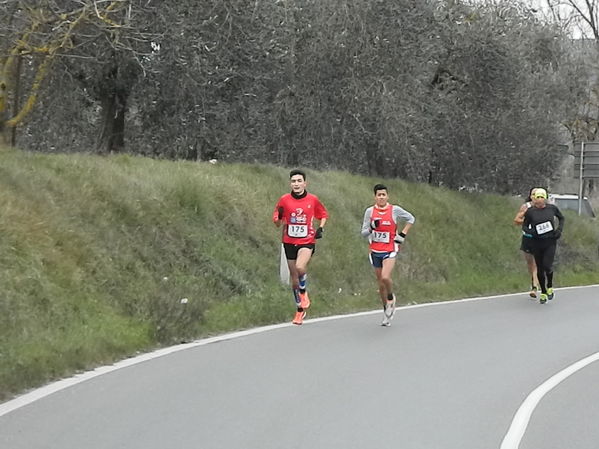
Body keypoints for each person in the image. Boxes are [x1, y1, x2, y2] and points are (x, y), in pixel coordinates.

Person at [273, 169, 328, 325]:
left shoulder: (313, 199)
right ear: (290, 183)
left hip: (307, 241)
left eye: (299, 181)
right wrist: (279, 216)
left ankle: (304, 293)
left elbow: (323, 214)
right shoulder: (284, 200)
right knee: (294, 280)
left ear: (305, 183)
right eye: (293, 181)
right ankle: (299, 310)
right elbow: (277, 223)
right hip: (289, 241)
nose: (296, 184)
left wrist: (321, 228)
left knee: (300, 267)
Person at [361, 184, 415, 326]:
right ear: (375, 197)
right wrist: (372, 227)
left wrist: (402, 234)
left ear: (387, 196)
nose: (381, 197)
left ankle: (391, 297)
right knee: (380, 285)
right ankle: (386, 311)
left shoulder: (394, 210)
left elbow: (411, 219)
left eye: (383, 195)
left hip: (390, 248)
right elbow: (363, 232)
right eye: (379, 195)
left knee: (386, 277)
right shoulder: (369, 212)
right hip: (375, 250)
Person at [522, 188, 565, 304]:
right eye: (537, 198)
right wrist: (531, 232)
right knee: (540, 269)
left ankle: (550, 286)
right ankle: (544, 292)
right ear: (534, 199)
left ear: (545, 199)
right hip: (536, 243)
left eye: (542, 198)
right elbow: (524, 226)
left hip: (550, 242)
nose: (539, 201)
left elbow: (561, 218)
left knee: (547, 266)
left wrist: (559, 230)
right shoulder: (530, 212)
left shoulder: (552, 208)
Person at [513, 188, 540, 298]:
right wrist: (526, 221)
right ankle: (534, 281)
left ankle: (535, 287)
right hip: (527, 238)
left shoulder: (545, 207)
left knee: (537, 263)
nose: (535, 197)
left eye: (537, 195)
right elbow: (516, 220)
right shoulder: (525, 207)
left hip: (540, 239)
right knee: (530, 264)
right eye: (533, 194)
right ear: (530, 196)